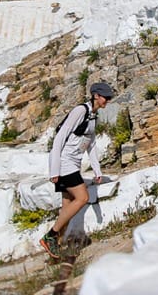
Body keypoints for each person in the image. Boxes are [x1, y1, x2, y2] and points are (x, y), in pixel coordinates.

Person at [40, 82, 115, 258]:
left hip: (74, 163)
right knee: (82, 198)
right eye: (105, 97)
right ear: (96, 96)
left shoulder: (93, 116)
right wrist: (54, 169)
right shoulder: (80, 111)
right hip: (64, 163)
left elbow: (91, 145)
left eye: (109, 98)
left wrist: (97, 171)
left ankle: (57, 246)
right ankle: (50, 236)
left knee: (67, 207)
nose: (107, 100)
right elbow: (60, 137)